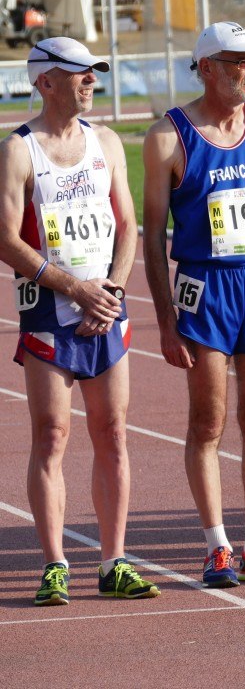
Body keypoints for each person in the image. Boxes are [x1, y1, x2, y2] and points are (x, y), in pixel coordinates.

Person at [142, 22, 245, 588]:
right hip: (207, 291)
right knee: (208, 420)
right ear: (206, 67)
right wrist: (166, 319)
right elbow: (151, 237)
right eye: (238, 61)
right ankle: (217, 547)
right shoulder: (169, 135)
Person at [0, 37, 158, 605]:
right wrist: (74, 289)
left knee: (113, 433)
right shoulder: (19, 150)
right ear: (45, 81)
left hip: (106, 311)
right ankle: (54, 564)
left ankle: (114, 561)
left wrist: (111, 289)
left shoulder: (107, 142)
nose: (92, 81)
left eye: (94, 73)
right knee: (51, 436)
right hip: (50, 311)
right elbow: (5, 239)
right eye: (80, 74)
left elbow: (129, 227)